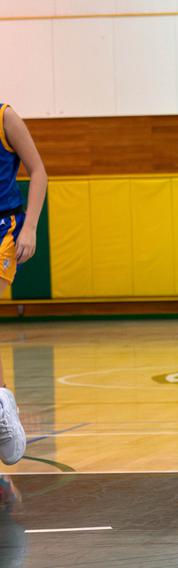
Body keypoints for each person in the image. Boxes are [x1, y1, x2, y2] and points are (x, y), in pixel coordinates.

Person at [0, 103, 44, 467]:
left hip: (4, 227)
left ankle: (2, 406)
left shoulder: (5, 117)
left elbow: (39, 171)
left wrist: (29, 226)